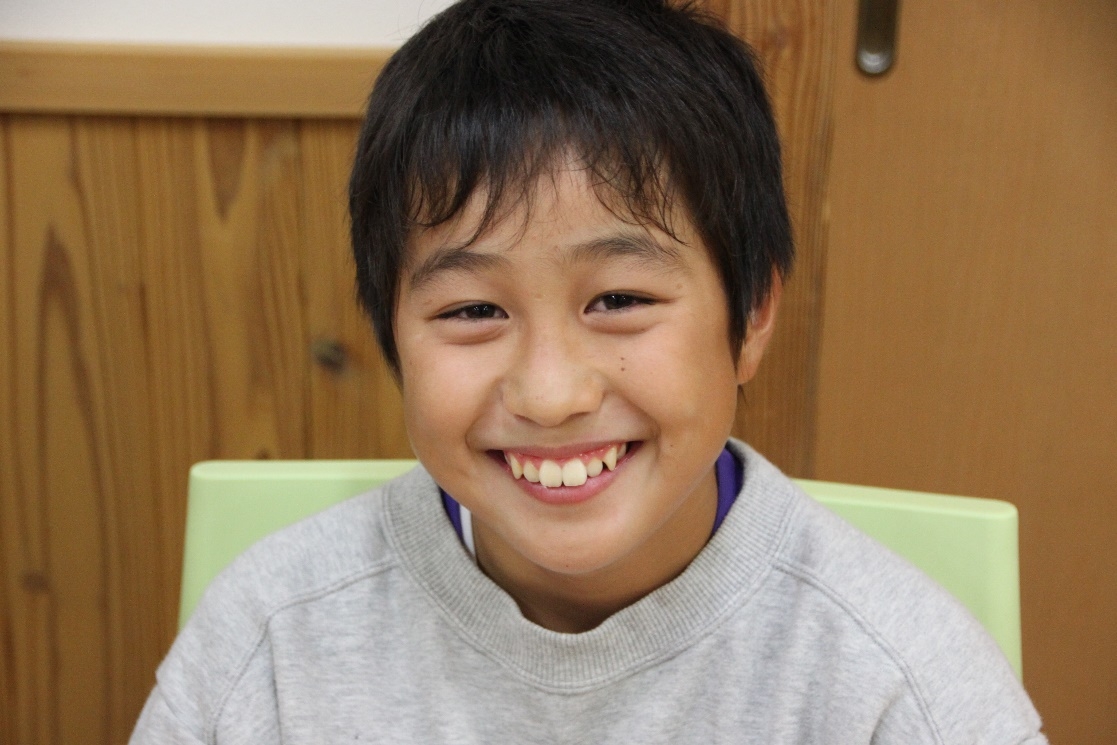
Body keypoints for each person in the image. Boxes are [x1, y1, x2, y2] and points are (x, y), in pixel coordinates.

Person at [131, 0, 1047, 742]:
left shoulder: (895, 679)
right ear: (390, 335)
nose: (550, 393)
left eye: (618, 299)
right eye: (472, 311)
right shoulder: (274, 636)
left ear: (751, 315)